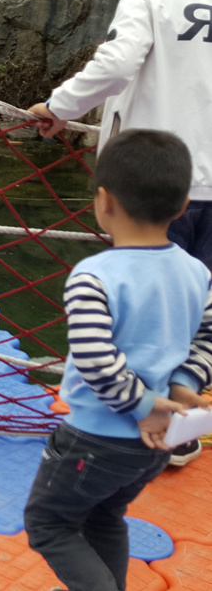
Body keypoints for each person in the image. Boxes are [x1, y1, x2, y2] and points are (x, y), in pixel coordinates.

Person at [27, 0, 212, 465]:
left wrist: (59, 108)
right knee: (202, 312)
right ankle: (182, 426)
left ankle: (122, 436)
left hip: (156, 174)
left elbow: (119, 61)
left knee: (129, 309)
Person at [23, 130, 212, 591]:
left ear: (103, 201)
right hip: (158, 442)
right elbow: (206, 334)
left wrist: (142, 406)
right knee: (105, 515)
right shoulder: (197, 271)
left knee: (49, 523)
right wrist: (186, 383)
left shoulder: (94, 275)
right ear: (184, 204)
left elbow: (94, 358)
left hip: (96, 437)